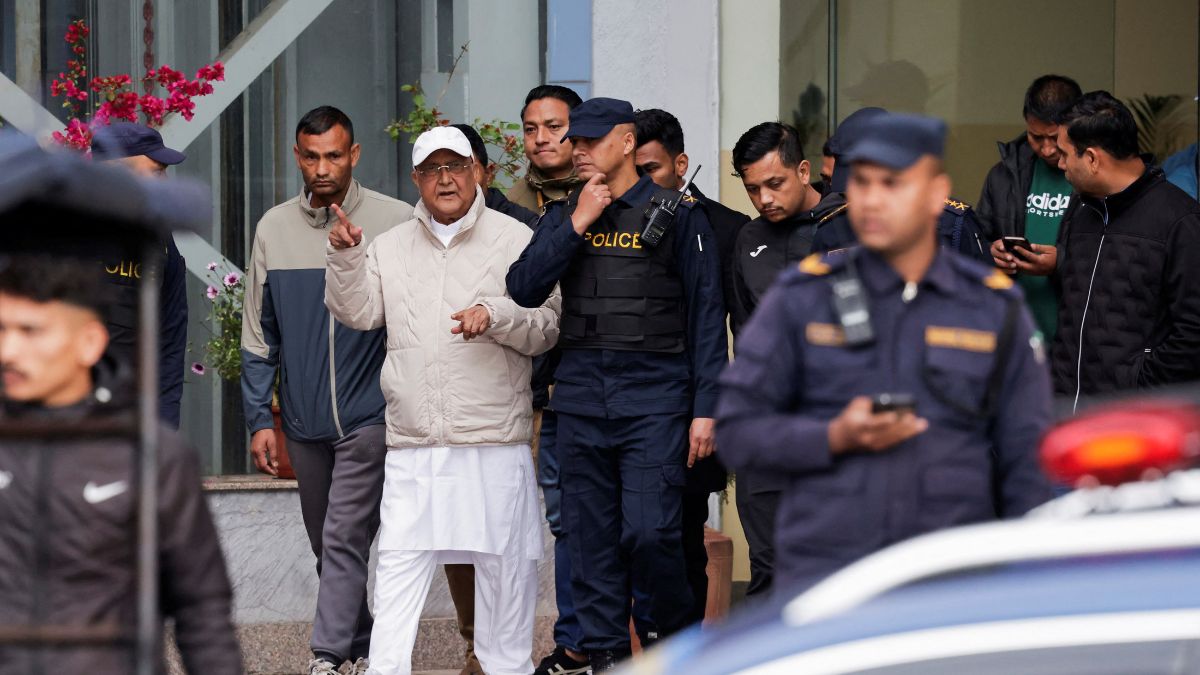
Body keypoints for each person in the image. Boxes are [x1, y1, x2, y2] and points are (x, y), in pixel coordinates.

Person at [716, 112, 1054, 594]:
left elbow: (1028, 460)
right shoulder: (802, 298)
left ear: (936, 194)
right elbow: (738, 430)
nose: (874, 201)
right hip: (828, 566)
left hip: (945, 567)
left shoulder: (991, 308)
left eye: (894, 183)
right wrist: (832, 435)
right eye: (865, 184)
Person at [0, 135, 240, 674]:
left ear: (87, 340)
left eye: (31, 332)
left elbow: (202, 615)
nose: (10, 349)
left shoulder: (153, 459)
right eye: (4, 329)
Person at [325, 125, 560, 675]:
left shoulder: (515, 238)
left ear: (477, 171)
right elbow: (358, 312)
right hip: (414, 443)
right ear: (417, 179)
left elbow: (548, 326)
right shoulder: (388, 244)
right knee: (399, 577)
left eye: (456, 166)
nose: (446, 178)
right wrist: (344, 256)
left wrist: (496, 315)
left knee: (505, 576)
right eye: (433, 169)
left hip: (492, 442)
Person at [506, 97, 728, 671]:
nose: (576, 150)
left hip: (656, 403)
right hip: (579, 403)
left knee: (652, 534)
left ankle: (670, 642)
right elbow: (524, 287)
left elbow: (707, 315)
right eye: (573, 141)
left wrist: (707, 409)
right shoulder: (565, 215)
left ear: (626, 142)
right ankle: (604, 651)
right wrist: (577, 222)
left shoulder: (679, 215)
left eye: (590, 141)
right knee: (590, 541)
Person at [240, 106, 415, 675]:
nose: (322, 168)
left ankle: (325, 654)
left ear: (354, 155)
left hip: (371, 416)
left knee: (342, 533)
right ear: (297, 156)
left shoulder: (395, 221)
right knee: (327, 542)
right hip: (303, 419)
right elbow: (259, 335)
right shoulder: (272, 228)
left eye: (333, 155)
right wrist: (259, 420)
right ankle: (362, 645)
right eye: (311, 156)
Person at [633, 107, 747, 626]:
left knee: (681, 543)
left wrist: (716, 410)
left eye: (651, 169)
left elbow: (732, 329)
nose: (641, 182)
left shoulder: (727, 230)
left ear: (681, 164)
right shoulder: (609, 218)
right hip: (627, 406)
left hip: (691, 412)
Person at [721, 120, 841, 598]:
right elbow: (743, 329)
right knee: (768, 567)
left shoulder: (846, 228)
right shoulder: (749, 240)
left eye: (776, 183)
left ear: (804, 170)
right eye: (753, 189)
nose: (765, 198)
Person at [1050, 91, 1200, 406]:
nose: (1059, 162)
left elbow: (1193, 331)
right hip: (1065, 409)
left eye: (1065, 153)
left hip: (1131, 421)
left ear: (1091, 159)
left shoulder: (1180, 220)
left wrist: (1137, 385)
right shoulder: (1081, 209)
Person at [88, 121, 189, 428]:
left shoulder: (162, 241)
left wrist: (165, 431)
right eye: (156, 171)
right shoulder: (64, 238)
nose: (165, 181)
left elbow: (170, 345)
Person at [810, 108, 990, 264]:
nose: (871, 200)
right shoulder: (832, 230)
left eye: (887, 183)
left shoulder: (954, 224)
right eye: (860, 182)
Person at [981, 75, 1082, 343]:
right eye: (1035, 137)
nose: (1047, 149)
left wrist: (1060, 262)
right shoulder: (1002, 176)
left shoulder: (1093, 176)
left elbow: (1116, 257)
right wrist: (991, 252)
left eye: (1054, 137)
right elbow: (979, 239)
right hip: (1016, 332)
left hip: (1076, 337)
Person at [507, 85, 585, 212]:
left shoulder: (607, 184)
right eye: (530, 129)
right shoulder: (515, 199)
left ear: (579, 129)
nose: (540, 139)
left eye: (554, 127)